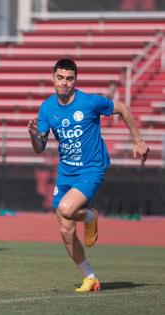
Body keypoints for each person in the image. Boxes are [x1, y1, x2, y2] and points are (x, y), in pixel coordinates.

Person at [28, 59, 149, 292]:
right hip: (66, 171)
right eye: (60, 78)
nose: (65, 83)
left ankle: (90, 218)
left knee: (66, 209)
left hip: (91, 168)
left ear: (75, 80)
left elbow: (122, 108)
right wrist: (34, 135)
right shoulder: (47, 108)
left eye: (69, 78)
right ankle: (90, 276)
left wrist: (139, 140)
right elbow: (39, 147)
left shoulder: (89, 102)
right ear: (53, 77)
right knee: (65, 230)